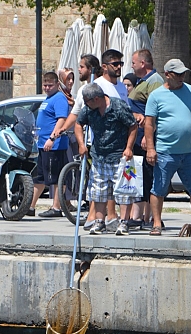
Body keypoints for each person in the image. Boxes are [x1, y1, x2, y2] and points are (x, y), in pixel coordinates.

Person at [144, 59, 191, 236]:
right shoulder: (156, 96)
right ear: (167, 74)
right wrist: (151, 149)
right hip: (165, 151)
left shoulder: (190, 91)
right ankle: (157, 223)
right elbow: (149, 124)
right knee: (158, 188)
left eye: (184, 73)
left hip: (189, 151)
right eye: (178, 74)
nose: (182, 77)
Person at [56, 54, 121, 232]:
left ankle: (105, 216)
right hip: (93, 141)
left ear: (91, 69)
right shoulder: (86, 90)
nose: (79, 70)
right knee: (97, 181)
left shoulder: (105, 87)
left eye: (82, 67)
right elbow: (77, 115)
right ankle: (96, 216)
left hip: (110, 143)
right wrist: (62, 129)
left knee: (104, 181)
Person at [75, 83, 138, 235]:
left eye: (87, 101)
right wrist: (81, 144)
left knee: (124, 190)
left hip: (120, 156)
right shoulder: (89, 110)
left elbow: (133, 126)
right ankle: (99, 222)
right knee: (99, 191)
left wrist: (129, 147)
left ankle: (123, 222)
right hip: (99, 156)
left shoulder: (118, 106)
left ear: (97, 99)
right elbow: (78, 124)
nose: (85, 104)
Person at [127, 49, 164, 229]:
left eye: (133, 63)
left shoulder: (155, 81)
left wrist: (149, 139)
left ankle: (151, 218)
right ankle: (139, 216)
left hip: (145, 137)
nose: (131, 66)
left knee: (148, 177)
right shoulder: (143, 81)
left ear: (143, 64)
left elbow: (155, 112)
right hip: (138, 135)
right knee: (139, 176)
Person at [28, 72, 70, 217]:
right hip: (42, 144)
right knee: (40, 177)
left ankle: (56, 208)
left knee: (57, 177)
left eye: (50, 85)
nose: (46, 87)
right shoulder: (48, 98)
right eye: (45, 85)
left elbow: (61, 120)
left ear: (57, 85)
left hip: (54, 145)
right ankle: (30, 206)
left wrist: (52, 138)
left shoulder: (59, 98)